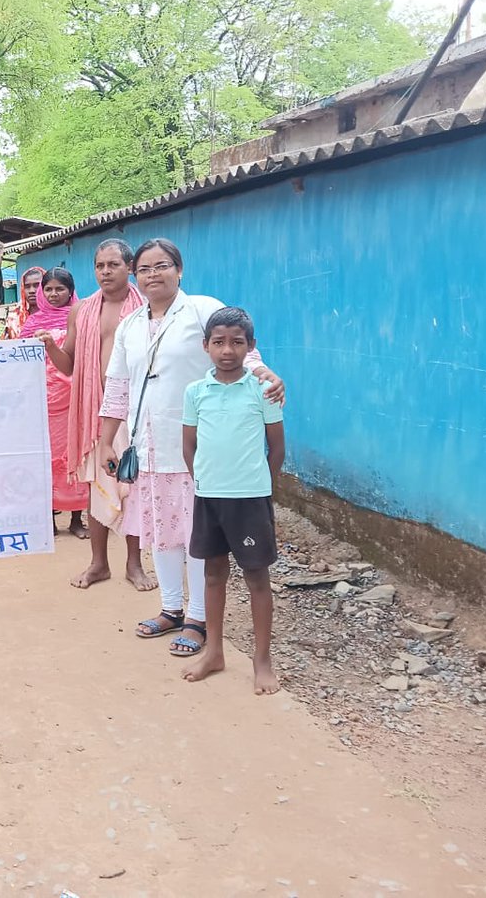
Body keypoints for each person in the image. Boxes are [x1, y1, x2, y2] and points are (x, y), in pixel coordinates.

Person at [98, 238, 283, 656]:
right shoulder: (130, 325)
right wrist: (107, 440)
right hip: (148, 446)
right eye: (144, 269)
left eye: (161, 266)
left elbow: (239, 349)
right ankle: (171, 608)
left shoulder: (201, 310)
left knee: (196, 537)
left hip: (199, 450)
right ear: (135, 275)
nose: (152, 275)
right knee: (161, 530)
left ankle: (199, 617)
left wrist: (265, 373)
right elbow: (118, 387)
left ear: (179, 269)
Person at [181, 307, 285, 694]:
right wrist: (206, 481)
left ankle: (262, 660)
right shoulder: (195, 392)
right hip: (210, 496)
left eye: (237, 342)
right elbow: (189, 446)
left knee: (257, 576)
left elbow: (276, 448)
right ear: (205, 346)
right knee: (212, 574)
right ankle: (214, 652)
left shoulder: (264, 390)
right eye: (219, 342)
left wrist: (259, 485)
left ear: (250, 346)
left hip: (250, 499)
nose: (227, 350)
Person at [37, 238, 146, 590]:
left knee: (133, 486)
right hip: (93, 412)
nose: (105, 272)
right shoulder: (81, 310)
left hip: (135, 410)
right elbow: (69, 366)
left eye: (113, 265)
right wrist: (52, 347)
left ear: (129, 267)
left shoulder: (145, 307)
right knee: (95, 487)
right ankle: (99, 564)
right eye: (100, 266)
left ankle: (134, 563)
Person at [24, 268, 89, 538]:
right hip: (42, 401)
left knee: (74, 457)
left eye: (60, 289)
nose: (53, 294)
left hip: (74, 399)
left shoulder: (82, 320)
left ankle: (76, 519)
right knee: (47, 459)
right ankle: (48, 520)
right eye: (48, 289)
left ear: (71, 291)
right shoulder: (31, 323)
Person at [7, 266, 44, 338]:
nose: (32, 291)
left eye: (37, 285)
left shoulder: (57, 316)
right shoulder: (14, 318)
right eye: (27, 286)